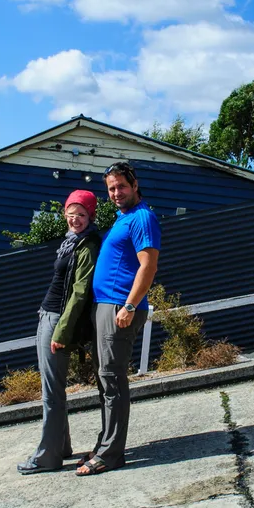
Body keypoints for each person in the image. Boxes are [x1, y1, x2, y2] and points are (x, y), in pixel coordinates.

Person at [77, 161, 160, 476]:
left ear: (134, 185)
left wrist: (128, 305)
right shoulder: (123, 218)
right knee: (105, 379)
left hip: (120, 309)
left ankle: (111, 454)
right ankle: (105, 444)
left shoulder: (143, 218)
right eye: (111, 188)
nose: (115, 193)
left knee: (112, 381)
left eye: (121, 186)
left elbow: (148, 267)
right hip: (107, 306)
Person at [16, 190, 102, 475]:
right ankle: (61, 447)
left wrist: (61, 332)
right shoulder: (70, 242)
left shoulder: (87, 246)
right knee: (54, 389)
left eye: (82, 214)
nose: (75, 219)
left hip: (57, 321)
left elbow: (80, 293)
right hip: (49, 315)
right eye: (71, 213)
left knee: (51, 392)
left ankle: (47, 457)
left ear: (91, 216)